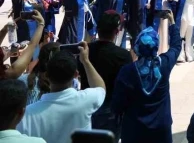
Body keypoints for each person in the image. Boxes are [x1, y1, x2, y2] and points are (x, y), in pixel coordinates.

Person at [111, 11, 182, 143]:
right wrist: (172, 23)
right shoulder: (164, 64)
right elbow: (176, 46)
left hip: (134, 130)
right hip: (161, 129)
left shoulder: (127, 71)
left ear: (137, 47)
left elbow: (117, 105)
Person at [17, 43, 106, 141]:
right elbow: (100, 87)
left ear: (46, 75)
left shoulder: (27, 114)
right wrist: (85, 61)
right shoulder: (86, 100)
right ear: (76, 74)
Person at [79, 11, 132, 141]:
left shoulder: (84, 51)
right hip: (111, 109)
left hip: (87, 105)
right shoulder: (122, 55)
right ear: (117, 32)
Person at [0, 12, 44, 80]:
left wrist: (4, 29)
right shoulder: (9, 74)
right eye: (4, 49)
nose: (5, 48)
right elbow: (32, 45)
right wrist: (41, 24)